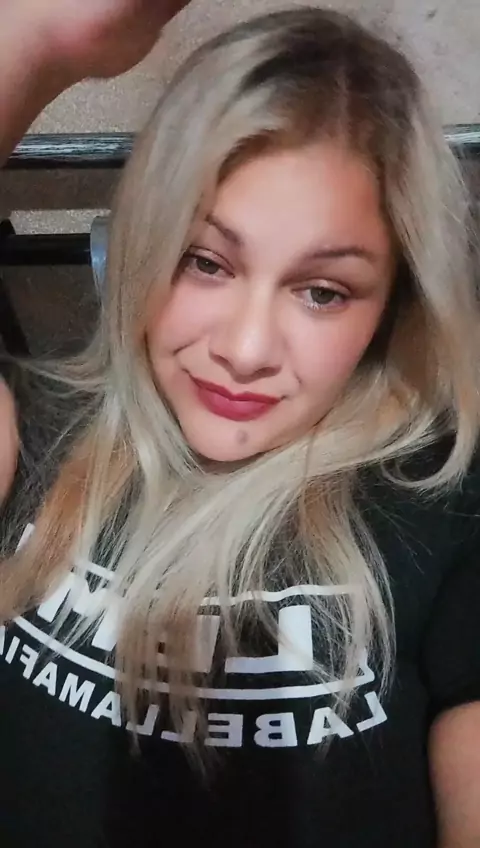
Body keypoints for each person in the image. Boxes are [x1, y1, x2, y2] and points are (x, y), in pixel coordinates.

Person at [1, 2, 480, 846]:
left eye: (323, 291)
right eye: (206, 262)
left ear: (392, 304)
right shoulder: (32, 430)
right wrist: (35, 43)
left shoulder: (443, 500)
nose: (247, 350)